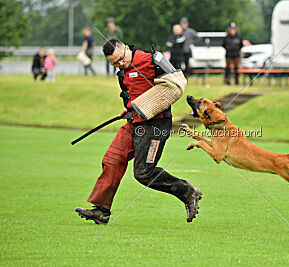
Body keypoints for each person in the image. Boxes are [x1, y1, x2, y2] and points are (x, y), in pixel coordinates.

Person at [75, 38, 202, 224]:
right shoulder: (122, 74)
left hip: (155, 126)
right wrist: (129, 108)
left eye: (121, 59)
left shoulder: (152, 60)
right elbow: (133, 95)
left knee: (144, 172)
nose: (120, 64)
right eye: (115, 63)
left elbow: (177, 84)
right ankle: (101, 211)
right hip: (133, 123)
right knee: (112, 159)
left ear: (126, 48)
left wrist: (148, 106)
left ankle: (188, 192)